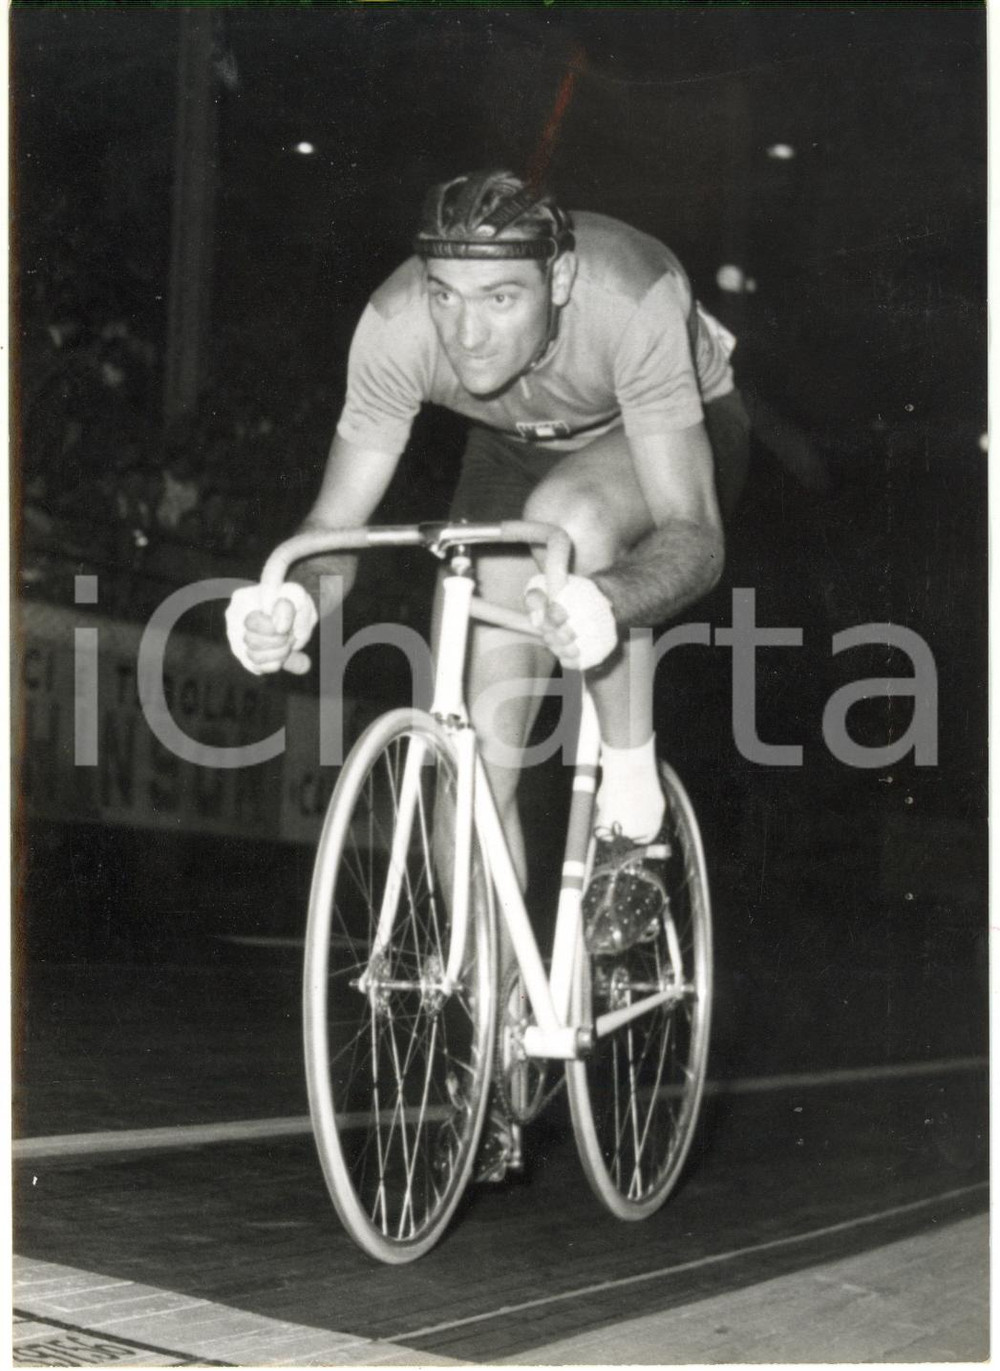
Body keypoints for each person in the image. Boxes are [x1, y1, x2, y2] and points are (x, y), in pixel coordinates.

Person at [227, 169, 749, 1172]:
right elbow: (333, 530)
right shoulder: (391, 329)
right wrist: (293, 595)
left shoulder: (629, 295)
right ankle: (500, 1050)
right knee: (477, 759)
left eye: (499, 300)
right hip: (511, 450)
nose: (464, 338)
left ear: (556, 280)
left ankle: (632, 802)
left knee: (574, 527)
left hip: (665, 432)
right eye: (445, 297)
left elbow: (695, 537)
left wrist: (606, 603)